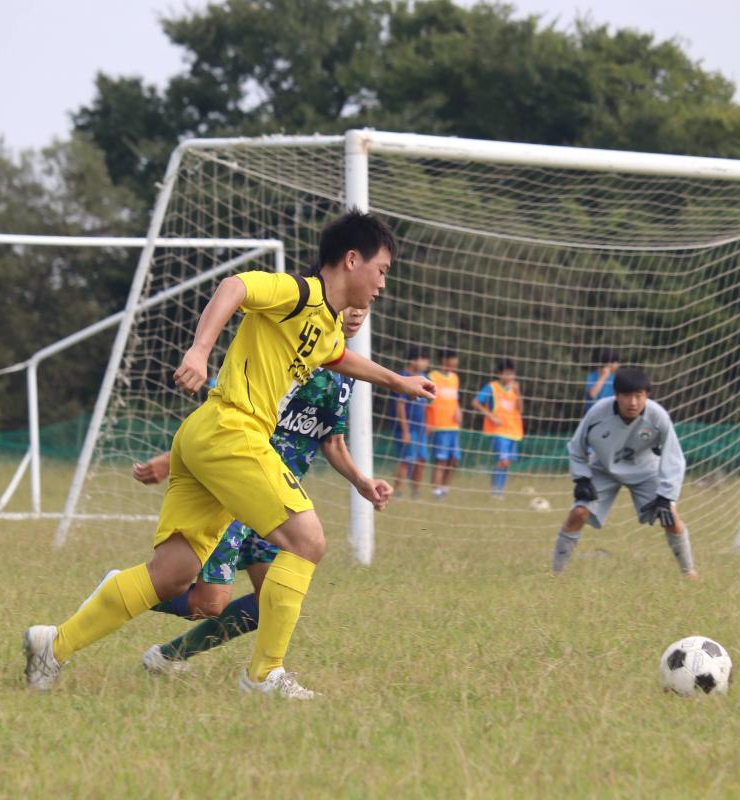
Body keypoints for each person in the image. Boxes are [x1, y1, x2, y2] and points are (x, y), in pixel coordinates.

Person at [22, 210, 434, 699]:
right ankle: (264, 675)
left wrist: (398, 381)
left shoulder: (325, 325)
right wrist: (199, 351)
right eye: (381, 270)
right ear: (351, 260)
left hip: (205, 434)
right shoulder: (298, 293)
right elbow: (234, 287)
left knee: (172, 575)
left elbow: (338, 356)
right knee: (307, 540)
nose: (383, 283)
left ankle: (53, 645)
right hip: (233, 431)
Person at [115, 307, 391, 673]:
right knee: (208, 604)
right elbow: (228, 416)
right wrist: (171, 459)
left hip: (278, 505)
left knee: (269, 603)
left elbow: (332, 441)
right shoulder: (292, 352)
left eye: (365, 306)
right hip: (238, 489)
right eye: (351, 305)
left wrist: (362, 482)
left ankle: (167, 657)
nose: (357, 313)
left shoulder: (345, 376)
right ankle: (120, 588)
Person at [551, 367, 699, 580]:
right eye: (627, 396)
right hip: (603, 468)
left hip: (646, 470)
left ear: (647, 395)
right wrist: (581, 478)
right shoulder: (597, 413)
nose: (633, 403)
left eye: (639, 396)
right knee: (578, 513)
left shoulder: (658, 417)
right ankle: (557, 574)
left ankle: (689, 572)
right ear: (616, 395)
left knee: (670, 517)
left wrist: (667, 496)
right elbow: (576, 447)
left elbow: (674, 457)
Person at [472, 359, 524, 499]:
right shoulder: (492, 387)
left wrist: (518, 393)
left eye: (512, 373)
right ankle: (495, 491)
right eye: (506, 373)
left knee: (506, 463)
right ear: (499, 374)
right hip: (499, 431)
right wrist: (490, 416)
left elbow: (520, 409)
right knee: (503, 461)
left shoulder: (514, 389)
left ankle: (500, 492)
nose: (509, 377)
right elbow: (476, 402)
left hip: (513, 431)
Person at [393, 347, 430, 498]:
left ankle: (416, 493)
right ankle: (398, 493)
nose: (426, 363)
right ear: (413, 360)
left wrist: (427, 424)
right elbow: (400, 406)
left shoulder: (424, 379)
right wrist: (405, 431)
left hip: (420, 428)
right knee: (406, 460)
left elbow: (425, 405)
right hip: (407, 429)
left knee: (421, 460)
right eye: (423, 359)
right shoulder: (402, 378)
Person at [427, 349, 462, 499]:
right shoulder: (432, 377)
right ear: (444, 360)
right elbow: (426, 400)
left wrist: (458, 410)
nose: (456, 361)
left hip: (453, 426)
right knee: (440, 460)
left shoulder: (455, 378)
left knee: (454, 460)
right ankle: (436, 491)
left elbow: (455, 399)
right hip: (438, 426)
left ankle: (444, 488)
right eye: (453, 358)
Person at [585, 348, 620, 413]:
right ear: (608, 363)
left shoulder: (615, 378)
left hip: (609, 413)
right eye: (616, 362)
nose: (618, 365)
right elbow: (592, 394)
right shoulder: (592, 376)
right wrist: (603, 377)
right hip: (593, 413)